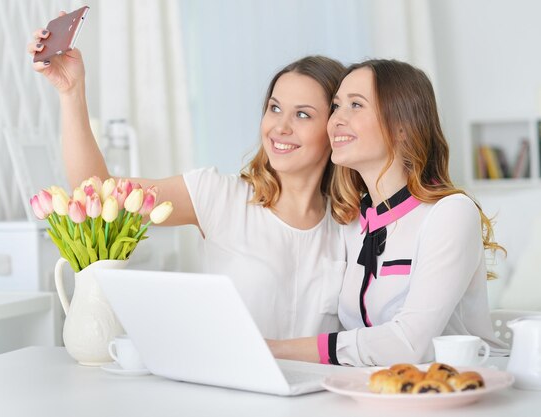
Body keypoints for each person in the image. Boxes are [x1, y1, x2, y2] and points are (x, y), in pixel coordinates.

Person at [28, 18, 346, 339]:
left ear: (336, 128)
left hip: (319, 388)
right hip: (232, 387)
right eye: (274, 108)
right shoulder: (219, 196)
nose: (280, 127)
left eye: (302, 114)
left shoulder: (352, 227)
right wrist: (71, 92)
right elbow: (96, 190)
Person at [267, 59, 508, 365]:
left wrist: (274, 350)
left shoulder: (450, 214)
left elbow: (409, 344)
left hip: (460, 393)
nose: (337, 119)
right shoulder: (351, 223)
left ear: (402, 128)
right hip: (379, 391)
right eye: (336, 106)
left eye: (356, 105)